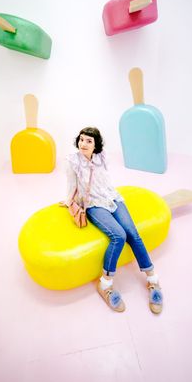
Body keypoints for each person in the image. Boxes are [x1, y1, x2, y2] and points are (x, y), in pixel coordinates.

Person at [64, 127, 163, 314]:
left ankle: (153, 280)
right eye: (81, 140)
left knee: (132, 233)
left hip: (112, 197)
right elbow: (71, 185)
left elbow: (106, 180)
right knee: (118, 235)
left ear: (96, 145)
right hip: (93, 203)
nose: (83, 144)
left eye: (89, 141)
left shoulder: (101, 157)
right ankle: (105, 284)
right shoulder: (72, 161)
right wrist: (70, 202)